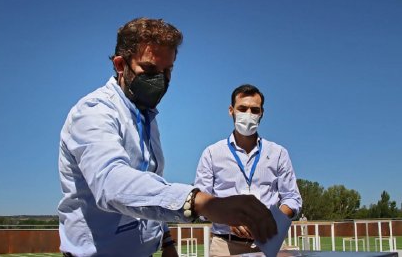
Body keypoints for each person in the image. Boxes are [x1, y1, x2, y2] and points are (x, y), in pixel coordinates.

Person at [58, 18, 278, 257]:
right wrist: (201, 202)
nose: (160, 80)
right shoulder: (94, 112)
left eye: (167, 71)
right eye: (150, 70)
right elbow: (112, 183)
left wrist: (166, 242)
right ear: (121, 65)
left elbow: (149, 187)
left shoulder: (146, 116)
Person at [194, 84, 302, 256]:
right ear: (231, 110)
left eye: (254, 110)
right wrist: (227, 218)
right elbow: (201, 204)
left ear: (262, 113)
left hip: (269, 243)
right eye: (242, 108)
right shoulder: (211, 154)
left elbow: (292, 198)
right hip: (225, 246)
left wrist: (268, 221)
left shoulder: (278, 153)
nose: (248, 115)